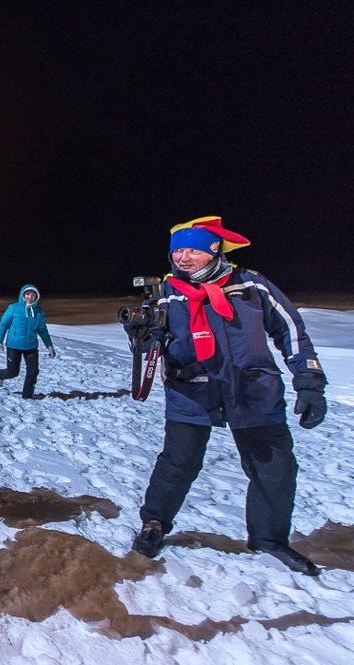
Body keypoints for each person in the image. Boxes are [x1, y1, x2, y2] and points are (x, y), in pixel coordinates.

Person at [128, 217, 328, 576]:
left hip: (253, 390)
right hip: (191, 393)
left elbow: (291, 331)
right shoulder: (168, 292)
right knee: (178, 462)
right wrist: (141, 334)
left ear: (214, 250)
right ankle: (153, 524)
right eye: (177, 251)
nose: (183, 258)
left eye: (192, 250)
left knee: (275, 468)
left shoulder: (252, 285)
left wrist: (309, 380)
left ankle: (269, 539)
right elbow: (152, 345)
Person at [0, 284, 55, 398]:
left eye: (33, 295)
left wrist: (49, 346)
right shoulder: (13, 308)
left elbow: (42, 330)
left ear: (36, 297)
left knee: (33, 372)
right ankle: (1, 375)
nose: (30, 297)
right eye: (27, 294)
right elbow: (3, 324)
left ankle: (27, 396)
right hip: (14, 345)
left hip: (31, 346)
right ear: (23, 295)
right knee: (13, 372)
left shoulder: (38, 312)